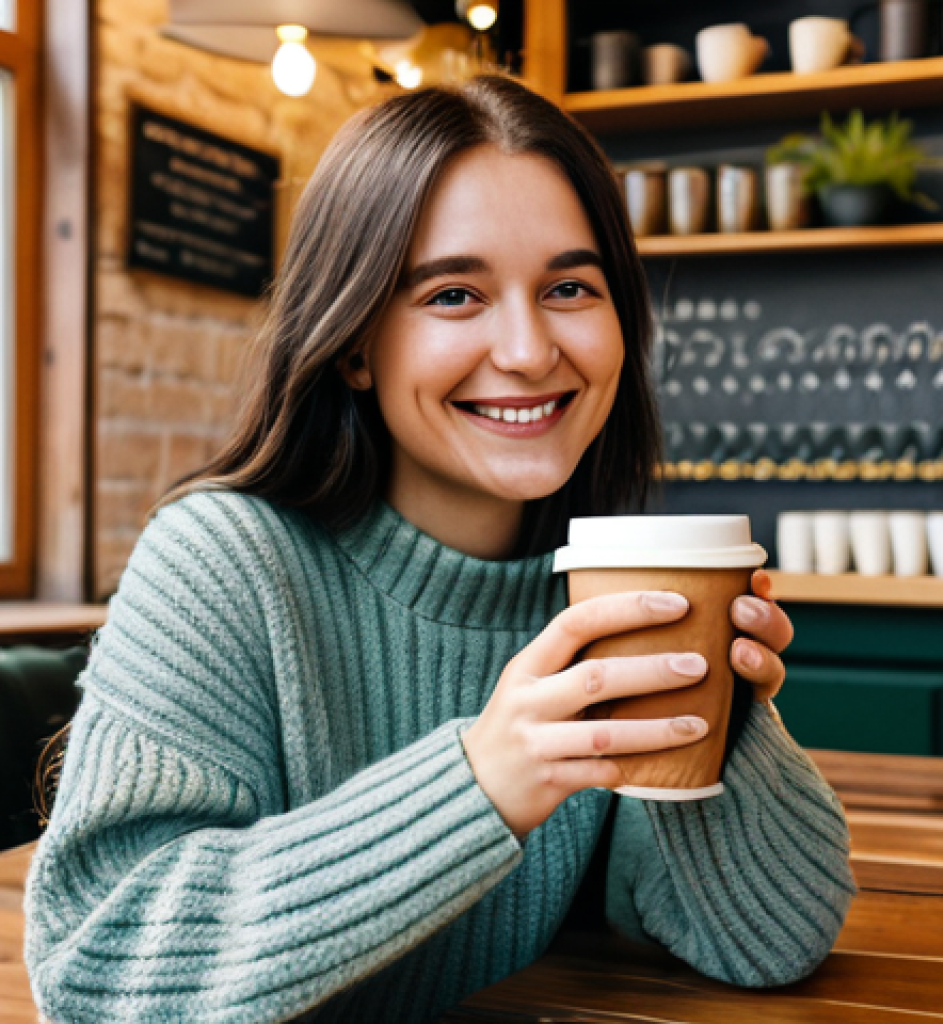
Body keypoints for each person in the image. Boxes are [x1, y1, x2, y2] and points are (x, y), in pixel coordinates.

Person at [24, 75, 856, 1023]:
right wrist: (481, 783)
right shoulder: (221, 561)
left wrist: (725, 720)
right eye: (455, 294)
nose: (529, 349)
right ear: (354, 344)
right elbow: (96, 968)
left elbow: (773, 945)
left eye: (570, 288)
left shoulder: (597, 588)